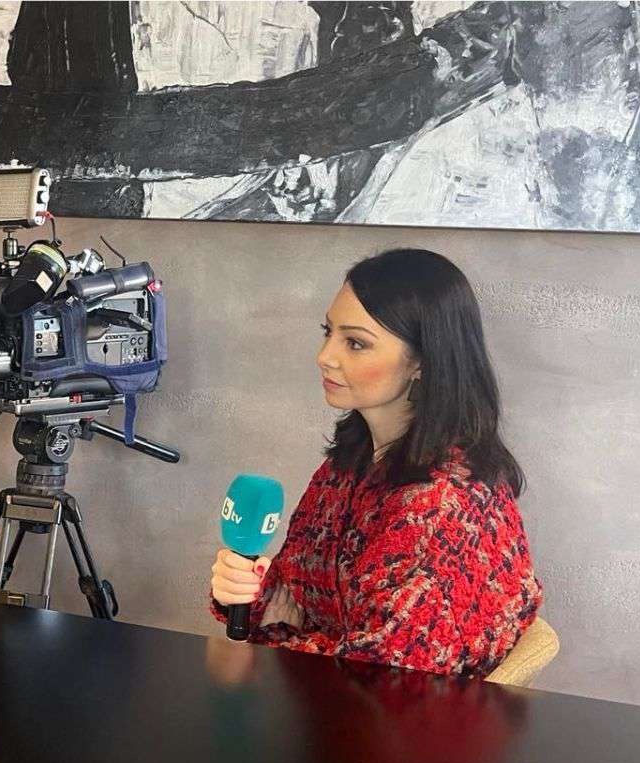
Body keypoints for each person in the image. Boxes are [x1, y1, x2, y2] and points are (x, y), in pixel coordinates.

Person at [209, 248, 542, 677]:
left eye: (355, 343)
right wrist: (246, 590)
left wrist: (273, 642)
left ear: (422, 361)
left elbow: (381, 678)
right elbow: (297, 592)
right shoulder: (352, 464)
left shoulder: (443, 506)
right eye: (328, 332)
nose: (325, 356)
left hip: (399, 716)